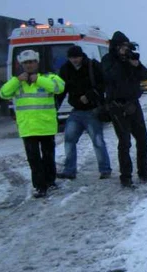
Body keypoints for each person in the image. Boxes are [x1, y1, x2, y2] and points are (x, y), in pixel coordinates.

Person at [0, 49, 65, 198]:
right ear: (22, 65)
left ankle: (50, 182)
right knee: (34, 160)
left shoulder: (49, 77)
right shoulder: (17, 81)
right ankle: (40, 186)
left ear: (37, 62)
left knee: (48, 157)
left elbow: (58, 88)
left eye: (32, 62)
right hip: (28, 128)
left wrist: (38, 80)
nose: (29, 65)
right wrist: (17, 80)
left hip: (46, 126)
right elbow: (3, 93)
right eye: (26, 63)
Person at [101, 31, 147, 188]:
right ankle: (125, 177)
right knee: (125, 142)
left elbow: (145, 75)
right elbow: (111, 76)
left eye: (127, 46)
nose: (126, 49)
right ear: (116, 46)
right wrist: (121, 60)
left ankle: (144, 172)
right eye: (123, 47)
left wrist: (136, 64)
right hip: (116, 106)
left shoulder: (131, 59)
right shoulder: (108, 60)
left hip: (133, 104)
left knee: (143, 140)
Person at [56, 46, 112, 180]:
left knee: (98, 141)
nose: (74, 60)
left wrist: (90, 95)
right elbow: (61, 90)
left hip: (92, 111)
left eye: (76, 57)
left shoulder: (93, 66)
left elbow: (103, 84)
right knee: (69, 140)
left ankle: (105, 170)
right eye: (71, 58)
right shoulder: (65, 69)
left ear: (81, 56)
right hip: (76, 112)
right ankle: (69, 171)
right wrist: (55, 106)